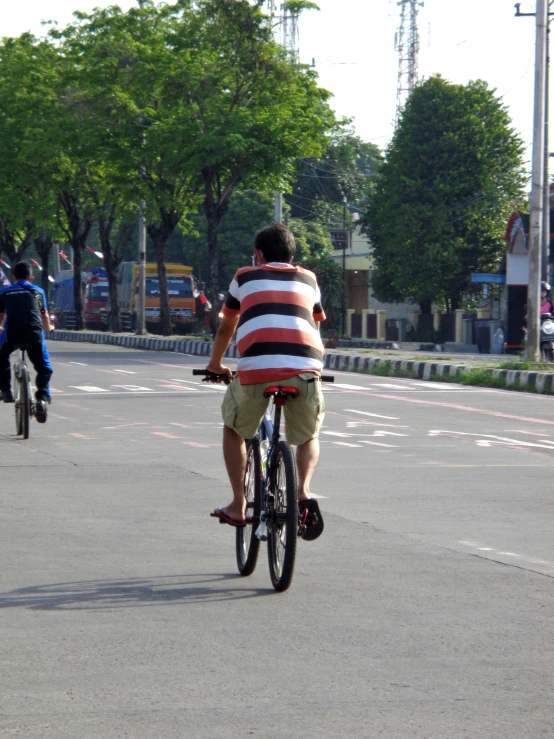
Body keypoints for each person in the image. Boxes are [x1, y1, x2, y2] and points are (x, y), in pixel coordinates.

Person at [206, 223, 326, 537]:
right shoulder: (310, 280)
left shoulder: (244, 276)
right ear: (292, 254)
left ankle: (236, 503)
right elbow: (314, 327)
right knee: (309, 435)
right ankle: (303, 493)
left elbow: (226, 327)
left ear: (258, 254)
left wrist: (216, 364)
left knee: (233, 428)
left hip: (257, 370)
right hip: (306, 367)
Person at [0, 261, 54, 422]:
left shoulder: (4, 293)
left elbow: (0, 318)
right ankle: (42, 398)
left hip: (13, 335)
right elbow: (44, 315)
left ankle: (5, 391)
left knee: (1, 357)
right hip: (33, 335)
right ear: (31, 278)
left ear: (13, 277)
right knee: (44, 368)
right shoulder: (38, 292)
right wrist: (49, 327)